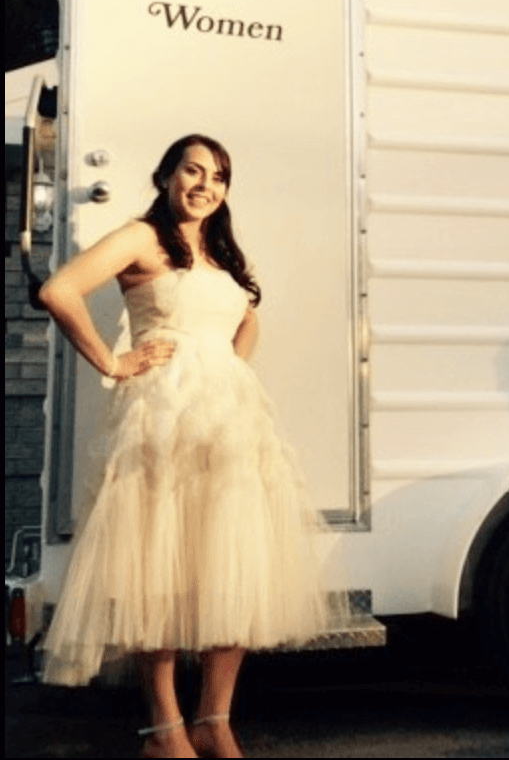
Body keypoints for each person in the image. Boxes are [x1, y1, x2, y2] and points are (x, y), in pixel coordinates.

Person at [40, 135, 341, 758]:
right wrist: (115, 363)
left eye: (219, 176)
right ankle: (164, 729)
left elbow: (245, 315)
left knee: (232, 569)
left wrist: (229, 370)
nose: (205, 184)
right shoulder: (141, 237)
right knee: (159, 569)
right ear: (167, 175)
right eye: (193, 170)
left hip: (232, 425)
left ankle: (214, 719)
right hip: (162, 421)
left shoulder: (220, 250)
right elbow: (59, 291)